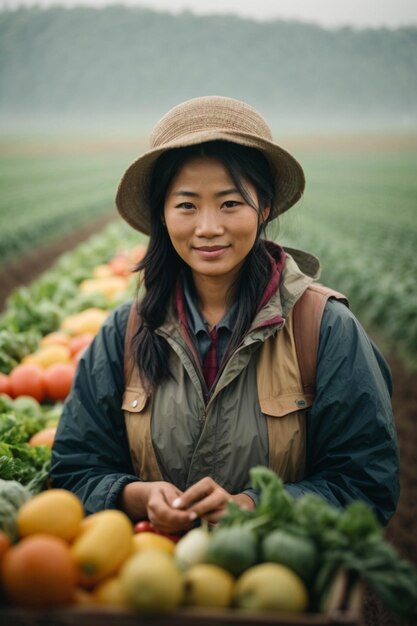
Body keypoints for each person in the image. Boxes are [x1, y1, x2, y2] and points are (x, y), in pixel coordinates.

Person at [50, 95, 399, 532]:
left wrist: (256, 507)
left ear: (264, 207)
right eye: (187, 205)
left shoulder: (324, 328)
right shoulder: (124, 332)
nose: (209, 227)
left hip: (276, 587)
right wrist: (133, 495)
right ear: (162, 214)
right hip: (154, 584)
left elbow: (365, 485)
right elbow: (73, 469)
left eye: (230, 203)